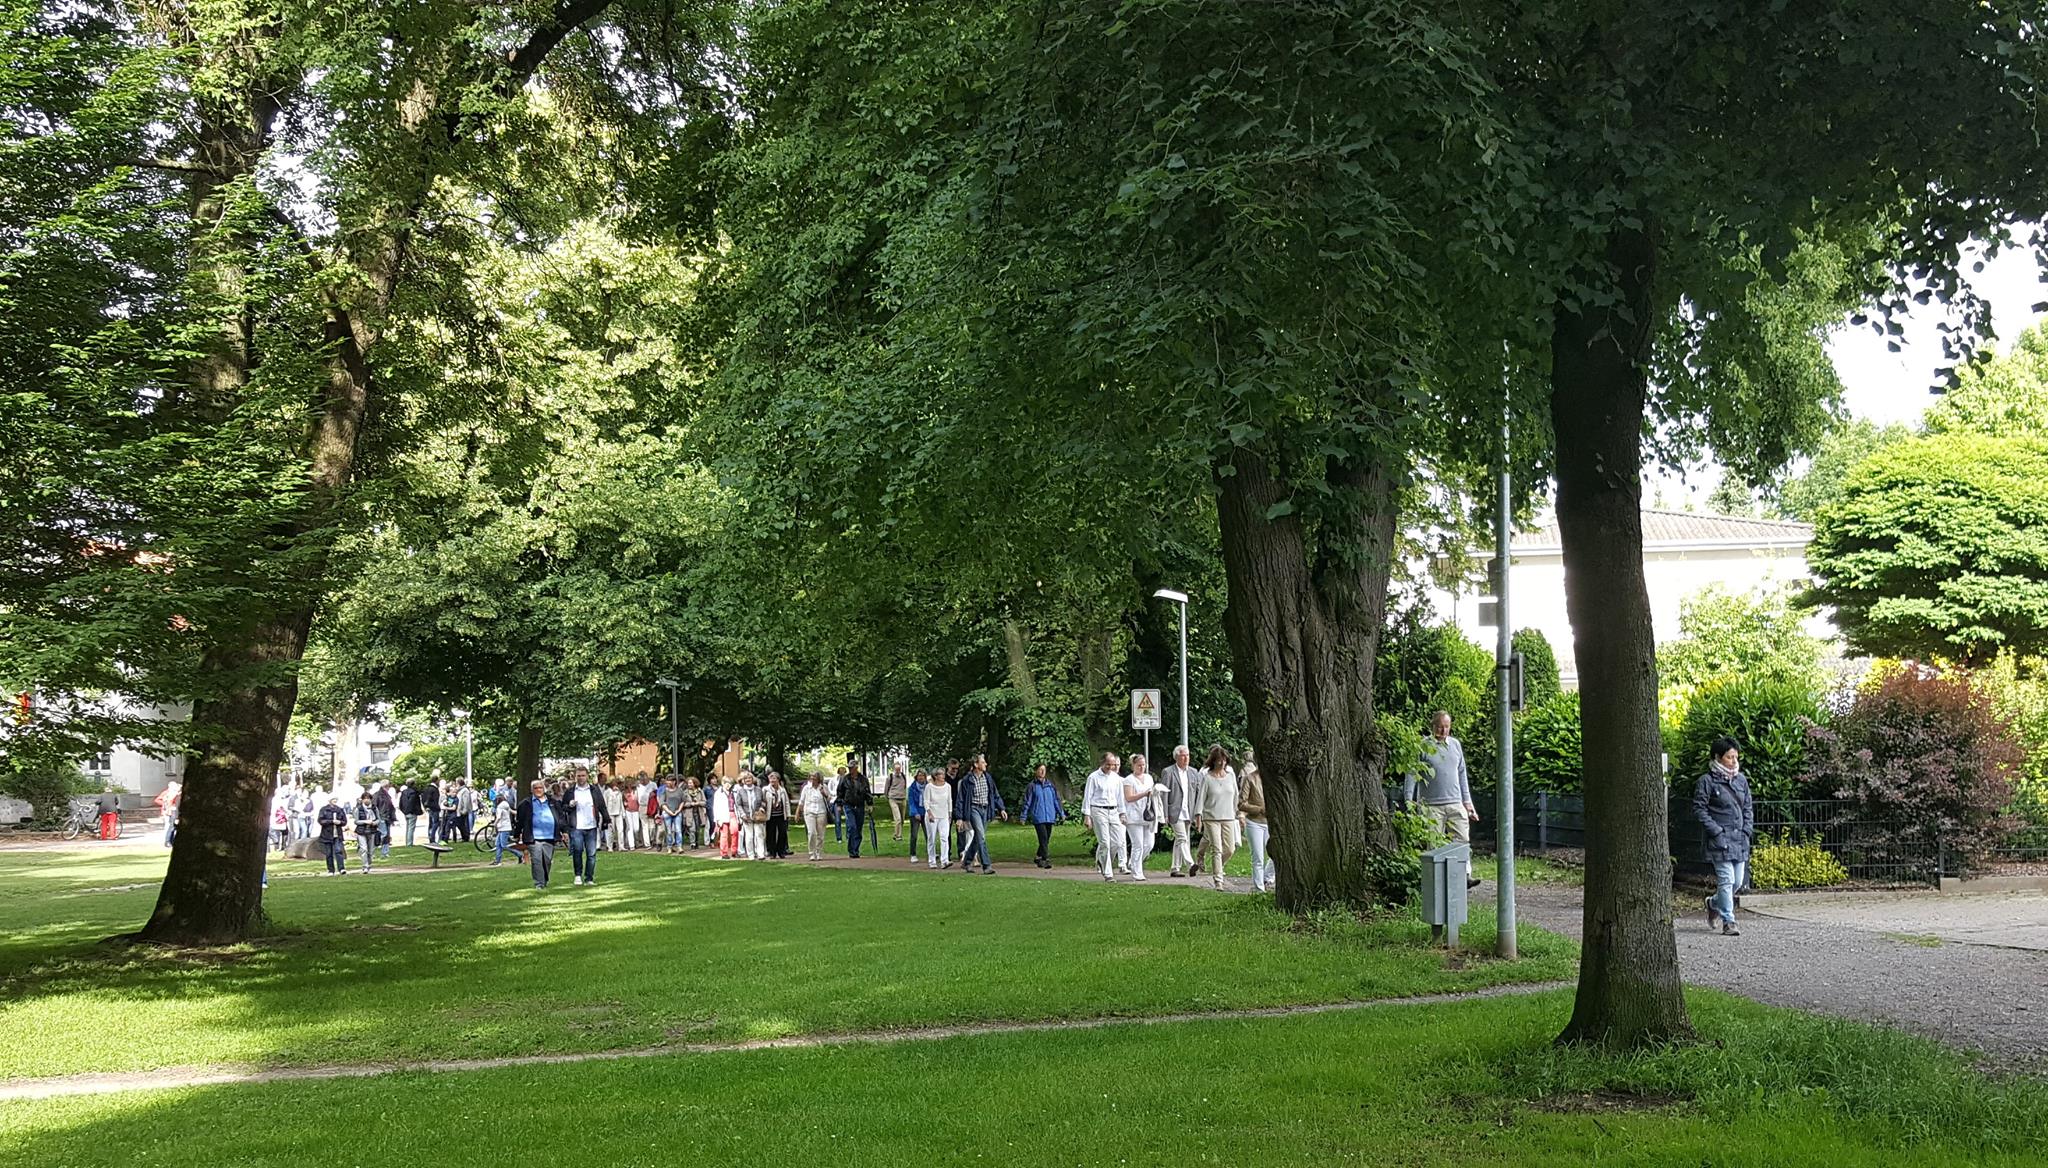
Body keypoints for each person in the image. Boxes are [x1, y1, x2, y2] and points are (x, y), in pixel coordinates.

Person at [1695, 737, 1754, 937]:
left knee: (1737, 882)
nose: (1734, 761)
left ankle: (1713, 903)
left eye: (1736, 756)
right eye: (1730, 757)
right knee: (1727, 881)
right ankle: (1729, 921)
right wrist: (1716, 831)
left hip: (1739, 839)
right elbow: (1699, 809)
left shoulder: (1741, 780)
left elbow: (1748, 807)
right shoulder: (1707, 781)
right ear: (1718, 757)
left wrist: (1747, 830)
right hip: (1720, 840)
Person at [1404, 711, 1480, 843]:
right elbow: (1411, 774)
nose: (1444, 730)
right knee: (1434, 846)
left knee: (1462, 842)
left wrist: (1467, 802)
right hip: (1431, 806)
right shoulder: (1422, 746)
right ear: (1433, 726)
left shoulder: (1455, 745)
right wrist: (1409, 801)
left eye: (1447, 726)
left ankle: (1461, 864)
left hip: (1455, 803)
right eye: (1440, 726)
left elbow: (1462, 773)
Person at [1194, 745, 1240, 891]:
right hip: (1211, 817)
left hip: (1228, 817)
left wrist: (1237, 813)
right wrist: (1198, 817)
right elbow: (1200, 799)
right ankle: (1218, 881)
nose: (1222, 763)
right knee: (1217, 849)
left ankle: (1217, 866)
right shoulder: (1207, 778)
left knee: (1230, 849)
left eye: (1224, 760)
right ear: (1213, 761)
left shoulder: (1231, 776)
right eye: (1219, 760)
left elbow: (1236, 796)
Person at [955, 754, 1007, 874]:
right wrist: (959, 817)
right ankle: (986, 865)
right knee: (981, 836)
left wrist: (1002, 808)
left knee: (978, 838)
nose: (985, 764)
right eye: (983, 762)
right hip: (974, 809)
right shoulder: (967, 780)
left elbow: (994, 794)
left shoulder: (987, 777)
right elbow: (961, 799)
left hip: (986, 809)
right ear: (976, 765)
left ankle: (967, 862)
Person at [1082, 753, 1127, 882]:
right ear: (1102, 763)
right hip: (1098, 810)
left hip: (1114, 810)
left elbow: (1120, 797)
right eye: (1108, 764)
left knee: (1118, 841)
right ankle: (1108, 874)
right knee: (1105, 842)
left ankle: (1102, 860)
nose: (1110, 767)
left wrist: (1122, 813)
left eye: (1112, 765)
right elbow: (1087, 797)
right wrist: (1087, 816)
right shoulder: (1093, 777)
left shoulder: (1116, 778)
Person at [514, 779, 566, 889]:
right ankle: (539, 883)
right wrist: (516, 834)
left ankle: (544, 880)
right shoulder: (526, 804)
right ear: (532, 790)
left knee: (547, 860)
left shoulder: (552, 802)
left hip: (550, 836)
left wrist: (564, 831)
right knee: (537, 860)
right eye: (536, 788)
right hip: (533, 837)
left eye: (540, 788)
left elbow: (560, 818)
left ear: (544, 789)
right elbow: (520, 820)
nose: (538, 790)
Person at [564, 771, 611, 885]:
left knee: (591, 853)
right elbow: (563, 807)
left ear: (587, 776)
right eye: (578, 776)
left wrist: (606, 819)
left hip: (591, 825)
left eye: (583, 775)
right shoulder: (571, 791)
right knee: (578, 851)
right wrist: (570, 805)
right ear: (575, 777)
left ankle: (589, 877)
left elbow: (601, 805)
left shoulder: (594, 790)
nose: (581, 778)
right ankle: (578, 875)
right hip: (577, 826)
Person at [1161, 746, 1201, 877]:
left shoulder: (1193, 772)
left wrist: (1197, 813)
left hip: (1188, 811)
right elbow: (1164, 794)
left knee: (1180, 840)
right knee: (1182, 838)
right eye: (1183, 756)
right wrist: (1165, 814)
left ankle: (1175, 868)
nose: (1186, 758)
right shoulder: (1168, 772)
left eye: (1188, 755)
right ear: (1176, 757)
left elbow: (1196, 793)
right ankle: (1190, 864)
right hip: (1174, 810)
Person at [1122, 753, 1161, 881]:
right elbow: (1129, 797)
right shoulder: (1129, 780)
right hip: (1133, 816)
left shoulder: (1149, 778)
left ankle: (1134, 862)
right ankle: (1137, 872)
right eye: (1139, 765)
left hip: (1147, 814)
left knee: (1149, 844)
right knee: (1137, 844)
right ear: (1133, 765)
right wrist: (1144, 794)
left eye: (1143, 765)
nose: (1141, 767)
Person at [1239, 749, 1272, 892]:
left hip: (1271, 823)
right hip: (1255, 823)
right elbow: (1241, 803)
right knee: (1258, 856)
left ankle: (1267, 878)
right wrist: (1259, 809)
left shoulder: (1273, 778)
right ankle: (1259, 888)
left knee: (1275, 854)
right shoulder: (1250, 778)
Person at [1021, 764, 1063, 869]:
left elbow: (1055, 800)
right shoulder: (1032, 786)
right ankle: (1045, 859)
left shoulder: (1050, 785)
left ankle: (1038, 856)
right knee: (1043, 838)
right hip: (1038, 816)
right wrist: (1023, 816)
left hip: (1050, 816)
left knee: (1046, 838)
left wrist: (1061, 813)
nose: (1042, 772)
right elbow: (1027, 802)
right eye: (1040, 770)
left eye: (1044, 770)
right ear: (1036, 771)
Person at [923, 768, 955, 869]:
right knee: (931, 838)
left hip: (944, 815)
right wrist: (929, 813)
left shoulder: (948, 786)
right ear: (936, 776)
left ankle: (944, 860)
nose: (943, 776)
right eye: (941, 774)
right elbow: (926, 801)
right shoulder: (929, 787)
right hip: (932, 815)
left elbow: (949, 800)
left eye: (943, 774)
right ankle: (932, 860)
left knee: (944, 837)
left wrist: (950, 813)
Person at [839, 766, 873, 859]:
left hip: (860, 805)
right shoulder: (845, 779)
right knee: (852, 826)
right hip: (848, 805)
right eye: (849, 768)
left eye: (852, 768)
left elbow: (867, 792)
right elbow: (840, 791)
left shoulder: (863, 779)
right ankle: (851, 850)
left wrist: (870, 803)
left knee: (858, 828)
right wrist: (839, 804)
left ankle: (856, 850)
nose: (851, 770)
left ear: (856, 768)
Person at [734, 771, 767, 861]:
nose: (748, 780)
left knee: (759, 834)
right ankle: (751, 854)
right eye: (746, 779)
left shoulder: (758, 789)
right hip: (746, 817)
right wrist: (743, 814)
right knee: (749, 837)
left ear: (753, 780)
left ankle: (760, 853)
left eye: (750, 778)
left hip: (757, 816)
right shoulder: (740, 791)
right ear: (743, 781)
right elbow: (738, 804)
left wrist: (761, 808)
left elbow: (764, 801)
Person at [800, 772, 831, 860]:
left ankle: (818, 852)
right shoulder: (806, 788)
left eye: (814, 778)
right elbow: (801, 801)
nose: (812, 780)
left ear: (818, 779)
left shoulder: (823, 787)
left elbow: (829, 798)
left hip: (821, 811)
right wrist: (798, 812)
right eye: (811, 778)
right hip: (809, 811)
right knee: (812, 832)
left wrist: (823, 793)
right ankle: (812, 852)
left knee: (820, 834)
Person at [317, 794, 350, 875]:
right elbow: (321, 821)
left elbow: (344, 821)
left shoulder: (340, 810)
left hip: (337, 834)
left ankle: (341, 868)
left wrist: (340, 822)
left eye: (336, 799)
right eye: (333, 799)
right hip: (327, 834)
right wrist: (331, 821)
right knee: (329, 853)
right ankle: (331, 870)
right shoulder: (324, 809)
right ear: (329, 800)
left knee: (338, 851)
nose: (335, 800)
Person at [764, 772, 793, 858]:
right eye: (770, 779)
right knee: (770, 834)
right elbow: (763, 801)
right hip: (770, 815)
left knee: (782, 833)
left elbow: (787, 802)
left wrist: (788, 814)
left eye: (774, 778)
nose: (772, 780)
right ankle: (772, 852)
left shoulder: (782, 790)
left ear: (778, 780)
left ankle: (781, 851)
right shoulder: (765, 789)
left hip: (781, 815)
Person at [352, 790, 381, 873]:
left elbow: (379, 819)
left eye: (368, 798)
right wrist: (365, 821)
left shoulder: (374, 808)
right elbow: (356, 821)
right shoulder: (358, 809)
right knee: (364, 849)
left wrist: (374, 823)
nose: (366, 800)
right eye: (364, 798)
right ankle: (365, 866)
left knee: (371, 850)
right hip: (361, 831)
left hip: (372, 831)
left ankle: (369, 864)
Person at [906, 770, 930, 861]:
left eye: (922, 775)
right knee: (914, 834)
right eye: (919, 776)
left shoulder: (928, 786)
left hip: (926, 812)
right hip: (915, 813)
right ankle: (913, 854)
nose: (921, 777)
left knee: (928, 834)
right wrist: (915, 812)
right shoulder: (912, 788)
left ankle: (931, 853)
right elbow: (911, 802)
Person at [713, 778, 739, 858]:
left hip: (732, 813)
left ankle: (734, 851)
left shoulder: (733, 792)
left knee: (735, 832)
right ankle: (724, 853)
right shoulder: (718, 793)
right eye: (727, 783)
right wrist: (717, 819)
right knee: (724, 834)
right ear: (723, 783)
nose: (729, 785)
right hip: (722, 815)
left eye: (730, 783)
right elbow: (716, 806)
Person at [661, 777, 688, 854]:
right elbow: (662, 803)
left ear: (674, 782)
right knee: (669, 831)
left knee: (678, 830)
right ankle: (669, 846)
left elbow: (683, 801)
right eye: (667, 781)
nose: (667, 783)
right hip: (667, 813)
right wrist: (669, 811)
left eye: (669, 781)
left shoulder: (679, 790)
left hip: (677, 813)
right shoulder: (664, 791)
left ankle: (679, 846)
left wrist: (678, 810)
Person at [883, 761, 908, 841]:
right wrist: (887, 796)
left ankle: (896, 833)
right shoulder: (890, 777)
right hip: (893, 798)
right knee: (898, 819)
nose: (898, 771)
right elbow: (886, 788)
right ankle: (898, 836)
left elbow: (904, 786)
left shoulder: (903, 776)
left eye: (899, 769)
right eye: (896, 769)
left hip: (902, 798)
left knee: (902, 819)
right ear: (894, 769)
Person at [491, 795, 517, 866]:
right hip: (506, 827)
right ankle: (497, 860)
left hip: (503, 828)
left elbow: (499, 817)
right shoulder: (506, 805)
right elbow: (513, 812)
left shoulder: (499, 807)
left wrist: (494, 824)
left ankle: (519, 855)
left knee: (503, 845)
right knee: (498, 844)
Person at [682, 777, 707, 847]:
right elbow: (683, 803)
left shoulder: (700, 791)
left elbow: (704, 802)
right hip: (689, 813)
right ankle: (692, 843)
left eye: (690, 783)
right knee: (692, 828)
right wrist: (690, 804)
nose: (689, 784)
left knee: (697, 829)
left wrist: (698, 803)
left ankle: (696, 842)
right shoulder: (685, 792)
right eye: (688, 783)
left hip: (699, 813)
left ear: (694, 783)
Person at [374, 781, 398, 858]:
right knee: (383, 834)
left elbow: (390, 807)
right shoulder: (379, 795)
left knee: (386, 835)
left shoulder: (385, 795)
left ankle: (384, 852)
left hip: (386, 817)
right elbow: (374, 807)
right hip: (382, 817)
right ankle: (376, 850)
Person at [155, 780, 181, 847]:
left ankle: (170, 841)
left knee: (172, 827)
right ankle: (167, 841)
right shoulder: (168, 793)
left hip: (172, 811)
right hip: (169, 811)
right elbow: (159, 800)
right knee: (169, 826)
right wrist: (164, 804)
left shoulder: (175, 794)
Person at [602, 780, 625, 851]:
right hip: (610, 814)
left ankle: (621, 846)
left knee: (620, 830)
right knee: (611, 831)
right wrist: (605, 814)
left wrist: (623, 813)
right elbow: (604, 804)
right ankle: (610, 846)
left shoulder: (619, 793)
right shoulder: (607, 792)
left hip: (619, 813)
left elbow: (621, 803)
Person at [399, 780, 424, 846]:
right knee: (411, 828)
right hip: (412, 812)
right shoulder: (414, 793)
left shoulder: (404, 792)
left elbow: (401, 803)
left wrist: (404, 811)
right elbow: (414, 803)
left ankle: (407, 842)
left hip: (406, 812)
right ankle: (409, 843)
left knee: (408, 828)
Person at [620, 779, 642, 851]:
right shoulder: (623, 793)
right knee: (630, 828)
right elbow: (622, 802)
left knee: (636, 828)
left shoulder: (636, 791)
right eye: (628, 784)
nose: (629, 785)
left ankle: (636, 841)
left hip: (636, 811)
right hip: (628, 811)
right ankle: (631, 845)